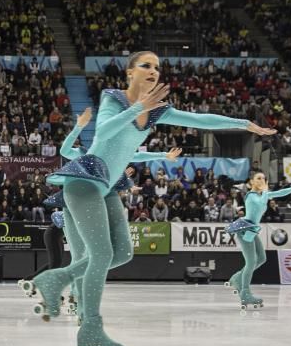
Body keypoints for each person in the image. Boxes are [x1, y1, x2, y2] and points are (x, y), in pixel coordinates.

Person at [29, 52, 274, 346]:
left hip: (106, 186)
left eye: (157, 67)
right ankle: (90, 327)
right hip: (85, 180)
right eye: (146, 65)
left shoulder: (158, 110)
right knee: (101, 254)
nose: (153, 71)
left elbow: (200, 120)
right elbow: (102, 133)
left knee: (123, 253)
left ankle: (57, 279)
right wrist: (137, 107)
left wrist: (244, 125)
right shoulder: (113, 98)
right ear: (130, 72)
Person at [20, 107, 181, 316]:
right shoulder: (85, 154)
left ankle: (71, 295)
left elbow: (138, 155)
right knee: (81, 255)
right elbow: (64, 150)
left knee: (101, 255)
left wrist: (162, 155)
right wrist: (79, 126)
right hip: (76, 203)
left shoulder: (116, 153)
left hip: (100, 201)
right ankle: (75, 299)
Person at [226, 170, 291, 311]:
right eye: (258, 178)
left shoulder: (262, 194)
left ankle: (237, 278)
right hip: (245, 229)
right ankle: (245, 293)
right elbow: (261, 202)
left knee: (262, 258)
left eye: (263, 178)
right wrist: (265, 192)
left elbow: (279, 193)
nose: (262, 180)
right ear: (251, 182)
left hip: (252, 230)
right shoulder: (251, 196)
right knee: (251, 262)